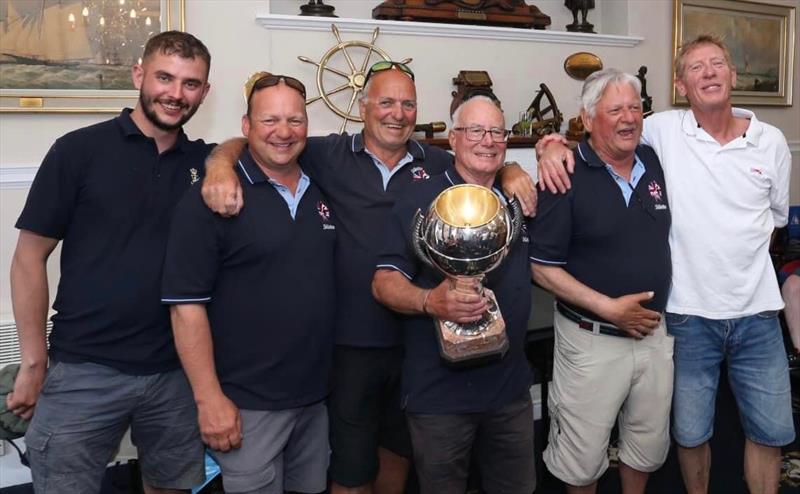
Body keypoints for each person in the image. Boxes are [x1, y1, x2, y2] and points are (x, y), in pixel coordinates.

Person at [535, 35, 794, 494]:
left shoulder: (764, 143)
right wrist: (545, 148)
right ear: (680, 85)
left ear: (733, 76)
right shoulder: (652, 138)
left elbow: (774, 221)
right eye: (697, 67)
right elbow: (542, 262)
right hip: (678, 320)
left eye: (718, 64)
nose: (627, 118)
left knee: (752, 435)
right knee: (672, 439)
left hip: (736, 319)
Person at [201, 61, 452, 494]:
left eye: (408, 104)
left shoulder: (439, 163)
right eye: (386, 102)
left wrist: (515, 172)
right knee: (351, 467)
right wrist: (219, 166)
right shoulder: (326, 154)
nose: (397, 113)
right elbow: (251, 143)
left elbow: (485, 166)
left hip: (419, 341)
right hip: (350, 346)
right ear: (363, 107)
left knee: (399, 452)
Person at [6, 31, 213, 493]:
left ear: (204, 92)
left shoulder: (204, 163)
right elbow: (28, 259)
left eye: (191, 84)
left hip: (175, 371)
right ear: (139, 75)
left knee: (172, 487)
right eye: (164, 77)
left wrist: (226, 158)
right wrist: (34, 362)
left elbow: (247, 148)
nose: (176, 94)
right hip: (84, 368)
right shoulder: (78, 150)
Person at [161, 74, 335, 493]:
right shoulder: (214, 197)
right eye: (269, 120)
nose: (284, 131)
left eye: (295, 120)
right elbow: (186, 305)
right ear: (246, 126)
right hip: (246, 406)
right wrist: (209, 400)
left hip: (314, 400)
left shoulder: (322, 183)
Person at [372, 96, 536, 494]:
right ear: (453, 139)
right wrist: (431, 301)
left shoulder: (518, 200)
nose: (488, 141)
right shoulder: (420, 201)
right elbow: (383, 282)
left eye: (497, 132)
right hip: (440, 396)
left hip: (509, 391)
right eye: (476, 131)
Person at [530, 69, 673, 494]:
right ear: (588, 120)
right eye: (615, 109)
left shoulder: (653, 160)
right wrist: (609, 308)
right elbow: (540, 266)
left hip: (654, 338)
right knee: (582, 461)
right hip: (592, 340)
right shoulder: (564, 173)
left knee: (645, 449)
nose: (628, 117)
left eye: (634, 107)